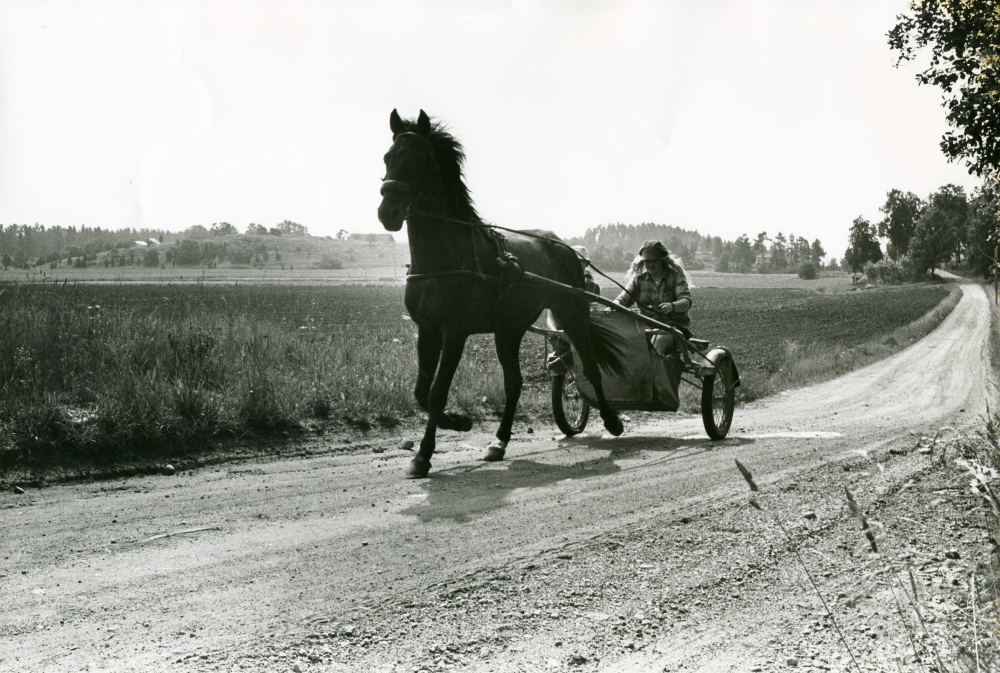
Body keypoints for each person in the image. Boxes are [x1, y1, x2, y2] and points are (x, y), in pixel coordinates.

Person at [614, 240, 693, 357]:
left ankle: (653, 367)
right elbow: (622, 300)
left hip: (674, 328)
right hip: (646, 328)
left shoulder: (676, 278)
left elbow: (686, 301)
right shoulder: (638, 281)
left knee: (659, 340)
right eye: (647, 261)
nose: (650, 265)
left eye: (654, 261)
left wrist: (672, 306)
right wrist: (613, 306)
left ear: (662, 261)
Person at [546, 245, 601, 371]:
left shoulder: (593, 287)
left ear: (586, 265)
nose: (575, 266)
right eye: (572, 262)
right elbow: (550, 316)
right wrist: (556, 332)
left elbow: (593, 314)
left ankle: (564, 360)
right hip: (561, 333)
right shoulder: (557, 286)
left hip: (583, 333)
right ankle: (561, 365)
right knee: (561, 363)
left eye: (579, 263)